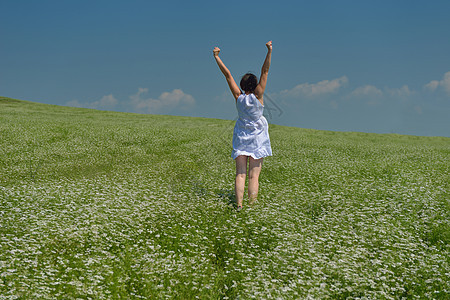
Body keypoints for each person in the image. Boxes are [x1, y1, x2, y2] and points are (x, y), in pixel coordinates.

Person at [213, 41, 273, 211]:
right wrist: (269, 51)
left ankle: (238, 205)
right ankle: (251, 206)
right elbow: (265, 71)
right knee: (254, 177)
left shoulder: (238, 97)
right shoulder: (259, 95)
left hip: (241, 136)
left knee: (240, 173)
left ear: (242, 85)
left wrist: (217, 57)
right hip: (258, 138)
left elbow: (227, 74)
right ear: (255, 86)